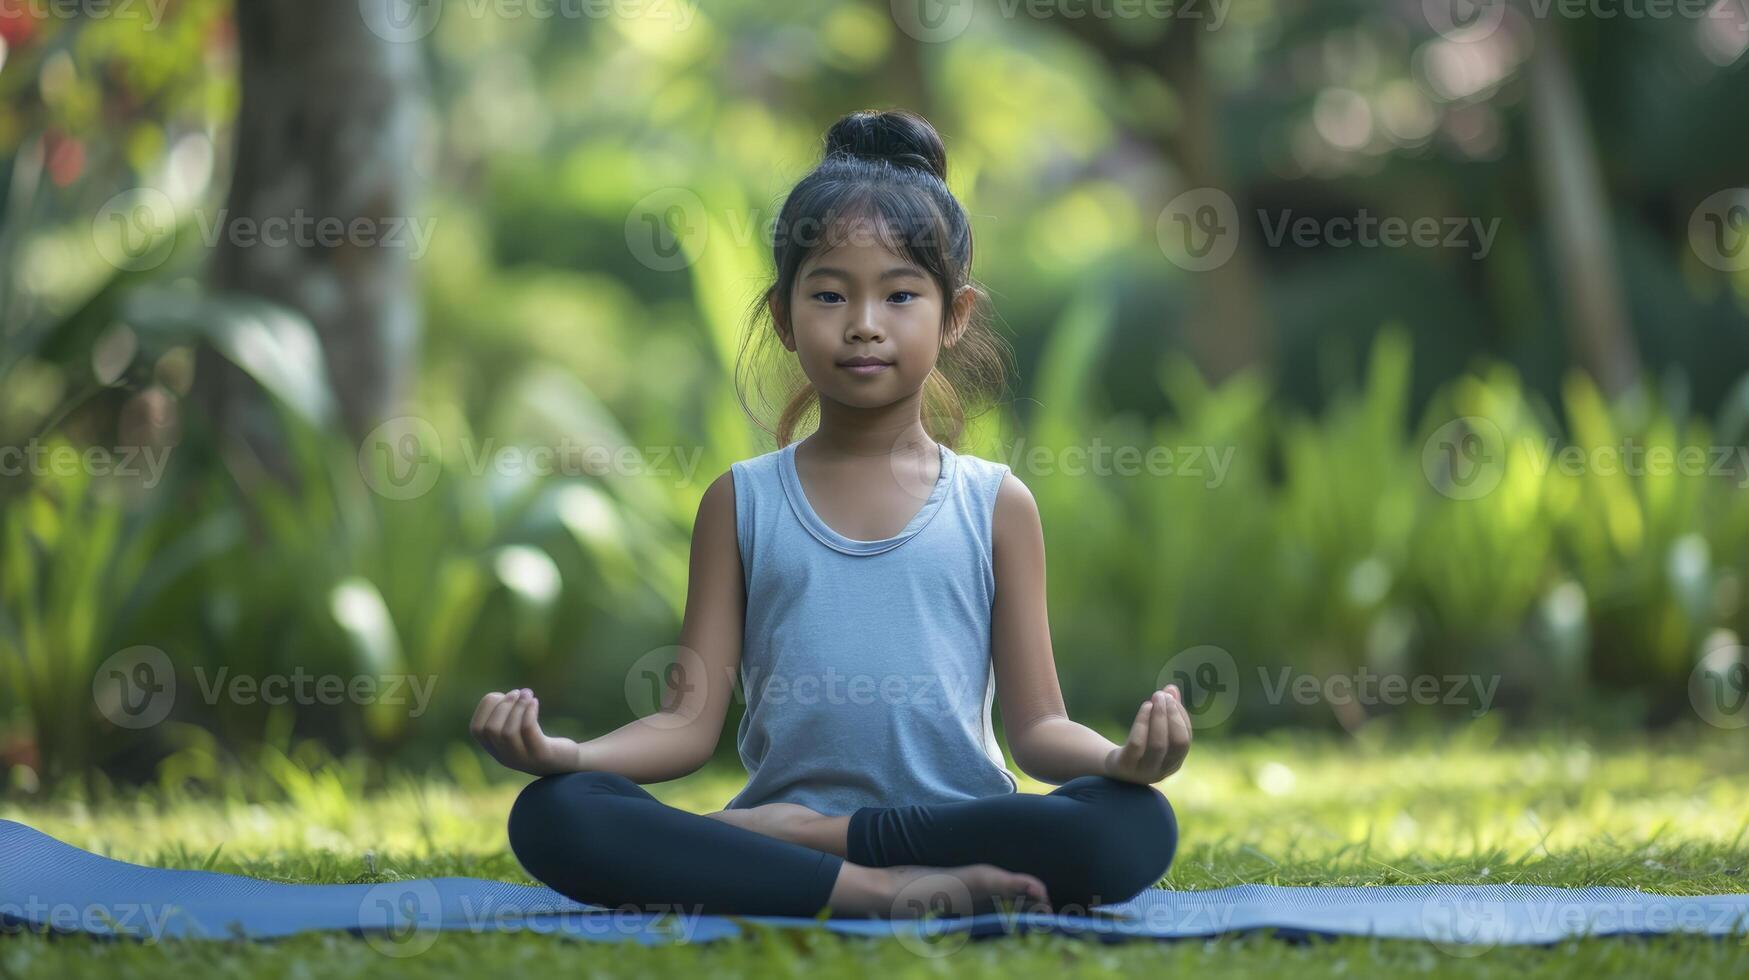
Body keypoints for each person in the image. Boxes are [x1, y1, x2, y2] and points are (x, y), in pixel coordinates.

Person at [469, 109, 1189, 920]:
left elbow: (1039, 729)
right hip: (844, 832)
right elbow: (685, 724)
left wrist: (1119, 760)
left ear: (954, 316)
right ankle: (877, 890)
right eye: (829, 294)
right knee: (558, 814)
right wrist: (563, 754)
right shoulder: (742, 502)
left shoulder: (994, 504)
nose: (863, 324)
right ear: (782, 315)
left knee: (1131, 825)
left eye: (900, 294)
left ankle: (809, 847)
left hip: (951, 821)